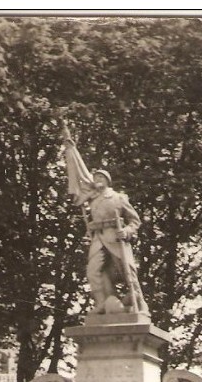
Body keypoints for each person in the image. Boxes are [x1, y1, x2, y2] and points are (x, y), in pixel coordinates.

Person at [62, 124, 148, 315]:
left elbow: (135, 221)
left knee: (128, 272)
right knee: (93, 271)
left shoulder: (119, 198)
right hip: (98, 238)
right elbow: (80, 179)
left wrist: (126, 231)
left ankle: (139, 302)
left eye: (100, 177)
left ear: (108, 181)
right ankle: (102, 303)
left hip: (115, 236)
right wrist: (70, 147)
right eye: (95, 177)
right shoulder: (91, 198)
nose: (96, 179)